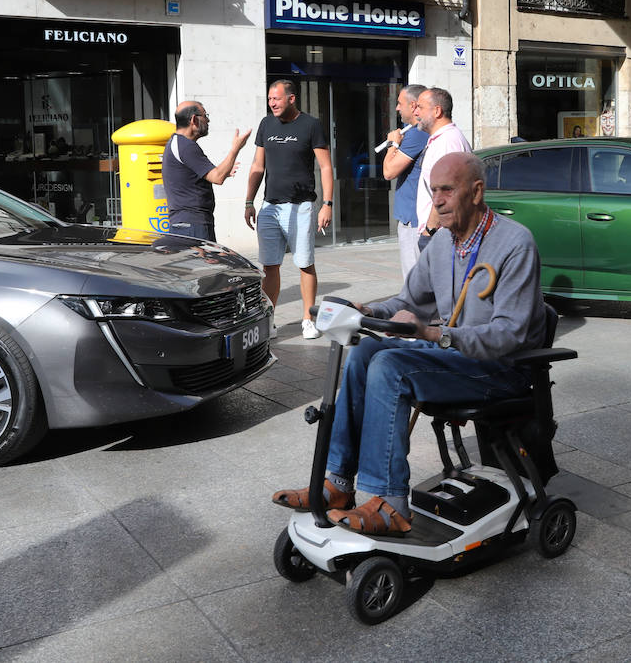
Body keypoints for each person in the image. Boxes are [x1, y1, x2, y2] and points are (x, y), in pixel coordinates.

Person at [271, 152, 547, 535]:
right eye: (433, 191)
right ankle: (338, 483)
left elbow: (509, 334)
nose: (437, 201)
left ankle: (390, 502)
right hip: (455, 359)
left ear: (477, 191)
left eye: (447, 190)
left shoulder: (514, 244)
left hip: (501, 370)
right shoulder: (443, 244)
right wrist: (365, 308)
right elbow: (407, 302)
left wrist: (432, 333)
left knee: (391, 366)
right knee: (366, 351)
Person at [245, 80, 334, 339]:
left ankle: (308, 318)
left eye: (277, 98)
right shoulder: (266, 124)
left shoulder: (311, 125)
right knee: (270, 266)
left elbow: (326, 167)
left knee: (305, 264)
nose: (272, 103)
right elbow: (257, 167)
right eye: (270, 99)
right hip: (270, 206)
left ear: (291, 99)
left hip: (302, 205)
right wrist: (249, 201)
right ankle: (269, 320)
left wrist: (327, 204)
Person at [161, 101, 250, 242]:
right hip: (193, 226)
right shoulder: (186, 147)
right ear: (194, 120)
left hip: (185, 224)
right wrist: (236, 148)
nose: (208, 120)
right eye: (205, 115)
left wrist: (225, 170)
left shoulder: (177, 143)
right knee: (202, 265)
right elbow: (217, 177)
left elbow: (208, 174)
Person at [413, 87, 471, 251]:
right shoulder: (442, 140)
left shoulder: (447, 142)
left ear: (437, 111)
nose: (416, 112)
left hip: (443, 234)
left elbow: (446, 193)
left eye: (420, 107)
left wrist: (429, 231)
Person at [380, 83, 429, 278]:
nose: (397, 108)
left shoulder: (417, 134)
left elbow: (389, 172)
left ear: (414, 105)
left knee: (413, 281)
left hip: (414, 221)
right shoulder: (413, 132)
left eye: (400, 103)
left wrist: (392, 144)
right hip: (412, 218)